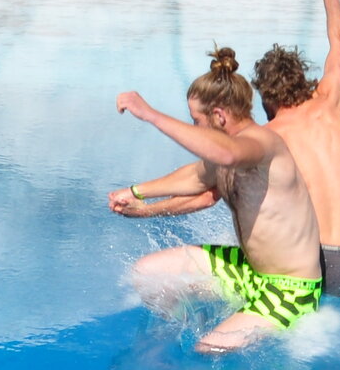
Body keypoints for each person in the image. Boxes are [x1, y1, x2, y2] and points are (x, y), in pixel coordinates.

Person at [108, 46, 324, 353]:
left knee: (209, 349)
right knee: (145, 275)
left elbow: (224, 154)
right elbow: (197, 177)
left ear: (219, 116)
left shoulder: (261, 144)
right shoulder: (232, 148)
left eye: (196, 120)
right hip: (249, 271)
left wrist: (151, 115)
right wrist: (137, 195)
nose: (196, 127)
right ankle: (195, 321)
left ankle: (241, 332)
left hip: (290, 288)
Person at [253, 0, 340, 298]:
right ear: (303, 79)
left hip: (310, 264)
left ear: (266, 96)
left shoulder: (271, 135)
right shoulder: (330, 97)